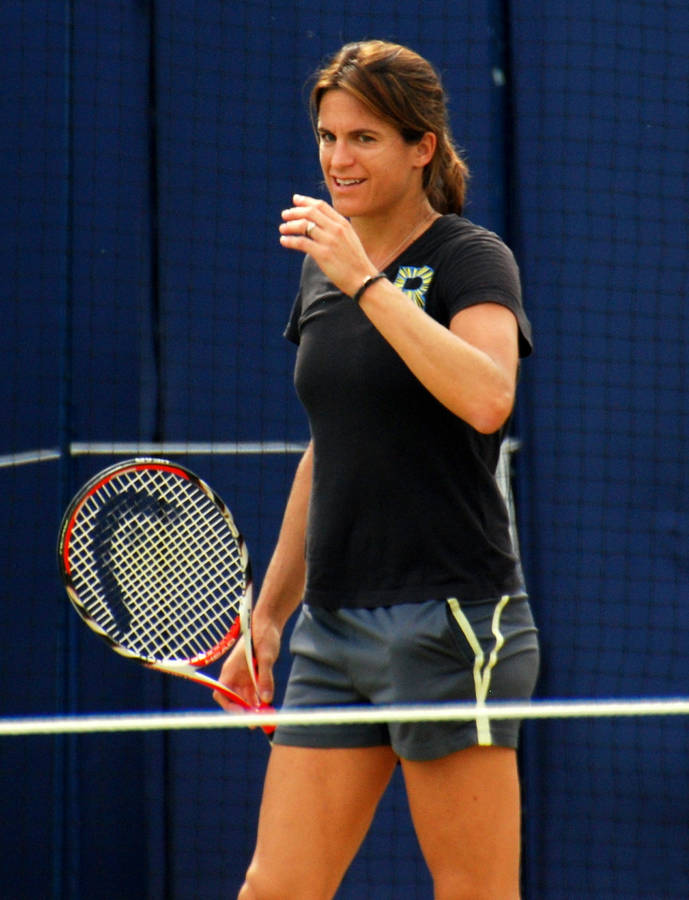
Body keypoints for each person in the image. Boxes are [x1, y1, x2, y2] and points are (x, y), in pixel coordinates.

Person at [215, 39, 539, 900]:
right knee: (275, 889)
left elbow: (488, 398)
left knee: (474, 892)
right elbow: (331, 447)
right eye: (327, 137)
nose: (338, 159)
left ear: (420, 146)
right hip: (333, 631)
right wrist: (270, 615)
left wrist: (365, 282)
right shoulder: (323, 271)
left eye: (363, 138)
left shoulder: (471, 259)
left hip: (451, 622)